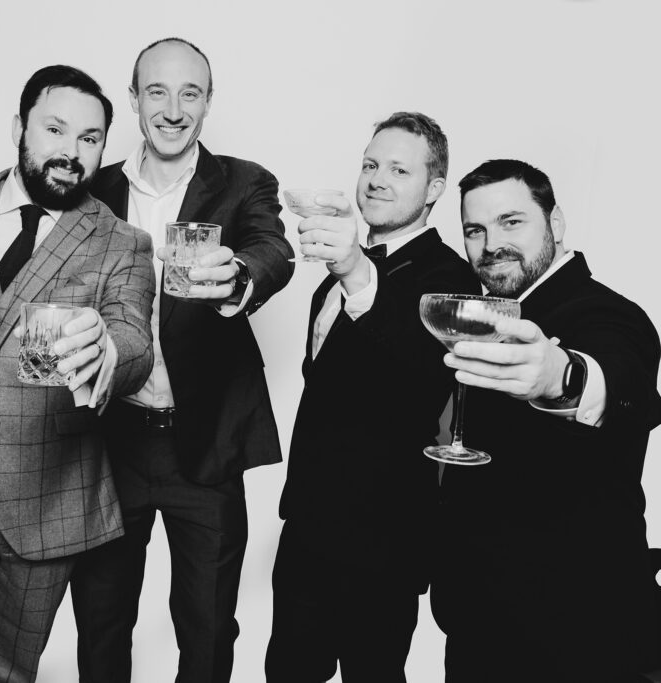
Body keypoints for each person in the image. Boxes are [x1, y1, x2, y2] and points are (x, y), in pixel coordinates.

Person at [0, 64, 155, 683]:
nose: (71, 152)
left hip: (43, 504)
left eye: (90, 138)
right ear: (20, 127)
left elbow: (134, 339)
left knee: (10, 674)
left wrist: (108, 354)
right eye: (55, 129)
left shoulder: (123, 244)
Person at [68, 37, 294, 683]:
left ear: (208, 102)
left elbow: (272, 249)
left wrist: (239, 278)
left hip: (206, 444)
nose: (173, 109)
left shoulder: (245, 181)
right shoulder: (94, 189)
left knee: (208, 624)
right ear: (134, 99)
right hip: (110, 441)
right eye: (157, 92)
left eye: (189, 92)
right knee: (102, 620)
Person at [266, 112, 479, 682]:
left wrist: (358, 273)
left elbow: (424, 378)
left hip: (384, 543)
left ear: (434, 189)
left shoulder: (454, 279)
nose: (376, 179)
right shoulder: (331, 281)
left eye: (398, 169)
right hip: (308, 531)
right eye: (370, 164)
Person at [432, 159, 661, 682]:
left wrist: (560, 378)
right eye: (475, 230)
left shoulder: (607, 313)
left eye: (512, 222)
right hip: (478, 621)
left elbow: (614, 379)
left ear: (555, 225)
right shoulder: (484, 315)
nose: (491, 245)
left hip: (580, 632)